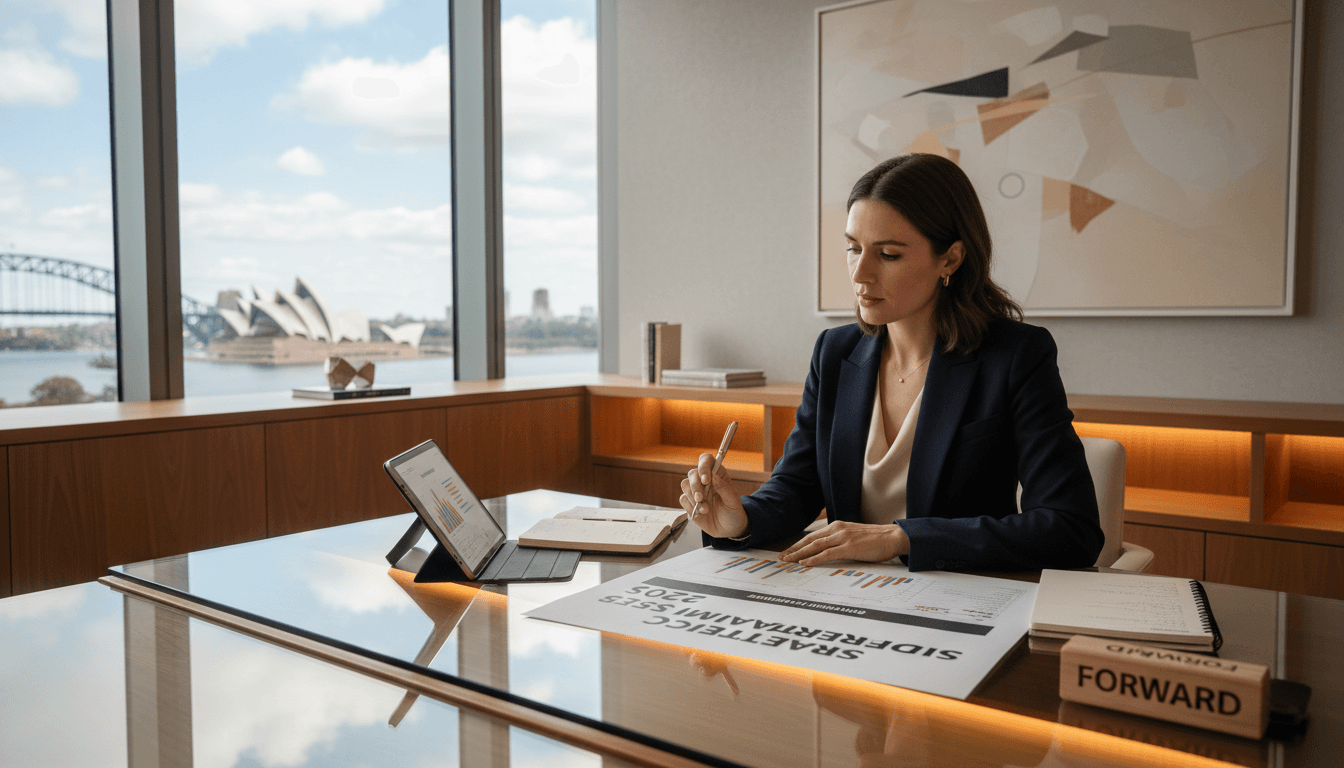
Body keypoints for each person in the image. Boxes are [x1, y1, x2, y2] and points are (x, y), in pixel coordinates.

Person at [681, 153, 1104, 572]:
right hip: (848, 597)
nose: (860, 273)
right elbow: (796, 486)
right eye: (853, 248)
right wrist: (741, 521)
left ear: (950, 259)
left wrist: (901, 537)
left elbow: (1070, 530)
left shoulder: (1015, 357)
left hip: (956, 602)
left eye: (888, 255)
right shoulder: (835, 352)